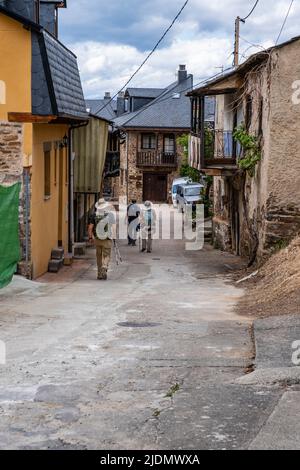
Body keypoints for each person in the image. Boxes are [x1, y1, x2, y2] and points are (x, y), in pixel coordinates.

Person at [88, 198, 116, 280]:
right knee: (106, 255)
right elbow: (114, 227)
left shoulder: (94, 215)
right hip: (107, 238)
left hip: (97, 239)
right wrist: (114, 236)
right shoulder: (110, 215)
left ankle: (99, 274)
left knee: (99, 256)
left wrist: (90, 237)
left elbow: (90, 227)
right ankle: (104, 266)